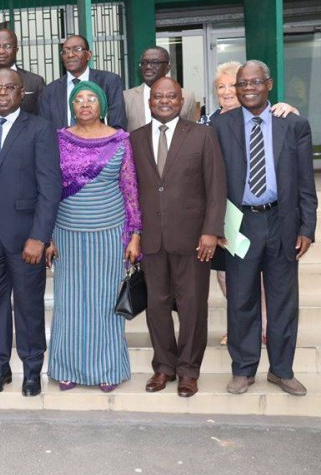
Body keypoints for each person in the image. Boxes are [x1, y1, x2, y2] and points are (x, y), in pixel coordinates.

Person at [213, 60, 317, 397]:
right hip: (240, 223)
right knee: (241, 299)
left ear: (269, 85)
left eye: (255, 82)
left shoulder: (293, 124)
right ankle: (243, 369)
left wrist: (307, 227)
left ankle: (282, 370)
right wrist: (215, 226)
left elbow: (305, 182)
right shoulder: (220, 125)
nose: (248, 89)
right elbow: (211, 182)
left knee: (283, 300)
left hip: (282, 221)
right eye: (242, 84)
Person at [129, 77, 226, 398]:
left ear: (181, 99)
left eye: (171, 96)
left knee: (192, 305)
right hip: (152, 239)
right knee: (156, 305)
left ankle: (188, 371)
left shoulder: (202, 134)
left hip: (193, 238)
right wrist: (135, 233)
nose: (164, 101)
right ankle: (164, 367)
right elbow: (134, 191)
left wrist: (211, 231)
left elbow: (216, 187)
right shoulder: (136, 138)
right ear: (150, 100)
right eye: (158, 96)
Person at [0, 68, 60, 396]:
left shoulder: (39, 129)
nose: (3, 94)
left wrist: (40, 236)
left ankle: (32, 368)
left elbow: (50, 187)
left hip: (26, 237)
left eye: (10, 88)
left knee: (28, 304)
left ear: (22, 93)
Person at [45, 81, 141, 393]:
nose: (85, 104)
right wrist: (47, 234)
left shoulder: (120, 139)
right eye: (78, 100)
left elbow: (130, 189)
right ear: (71, 106)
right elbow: (47, 189)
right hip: (67, 233)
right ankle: (67, 368)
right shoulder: (58, 139)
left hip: (110, 233)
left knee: (104, 303)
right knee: (70, 304)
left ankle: (107, 369)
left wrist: (135, 234)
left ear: (102, 105)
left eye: (91, 99)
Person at [199, 61, 298, 346]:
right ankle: (242, 330)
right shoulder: (210, 123)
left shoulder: (275, 115)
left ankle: (265, 327)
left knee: (266, 280)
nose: (228, 91)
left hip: (265, 215)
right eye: (221, 87)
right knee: (229, 279)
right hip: (226, 215)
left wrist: (288, 108)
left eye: (233, 85)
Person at [38, 35, 127, 129]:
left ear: (88, 55)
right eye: (65, 51)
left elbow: (118, 123)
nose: (70, 55)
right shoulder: (50, 91)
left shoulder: (109, 81)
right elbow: (44, 130)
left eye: (77, 49)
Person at [124, 47, 197, 131]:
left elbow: (190, 131)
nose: (148, 66)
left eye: (155, 62)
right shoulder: (126, 97)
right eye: (144, 63)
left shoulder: (187, 96)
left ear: (167, 68)